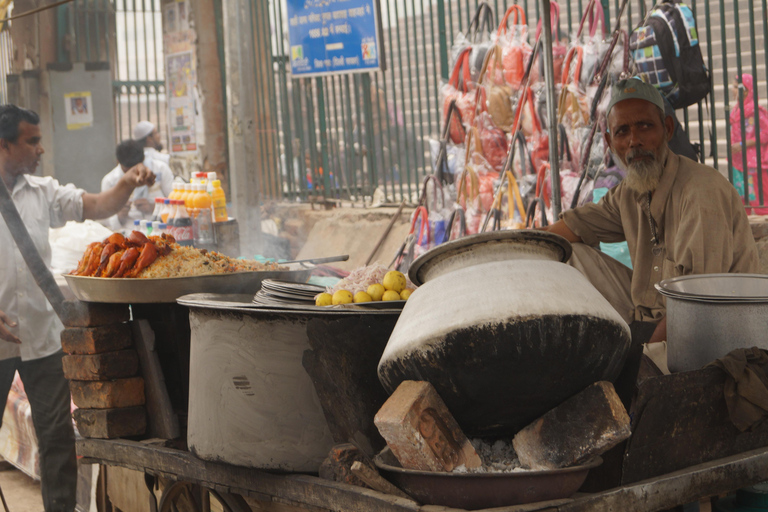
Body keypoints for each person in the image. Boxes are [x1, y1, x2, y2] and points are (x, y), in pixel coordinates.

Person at [0, 104, 155, 512]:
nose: (40, 149)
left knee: (56, 439)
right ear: (3, 145)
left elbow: (97, 205)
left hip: (41, 339)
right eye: (31, 141)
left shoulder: (42, 192)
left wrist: (126, 182)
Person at [543, 78, 759, 345]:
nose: (635, 141)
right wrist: (517, 249)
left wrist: (645, 360)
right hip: (649, 318)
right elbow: (572, 228)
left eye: (645, 126)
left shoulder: (701, 191)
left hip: (714, 331)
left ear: (667, 129)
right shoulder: (629, 192)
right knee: (564, 253)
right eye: (622, 132)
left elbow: (699, 301)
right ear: (610, 142)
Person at [101, 139, 173, 232]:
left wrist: (155, 208)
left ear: (143, 159)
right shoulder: (110, 181)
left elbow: (176, 204)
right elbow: (104, 218)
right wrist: (119, 216)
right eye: (127, 170)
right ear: (118, 162)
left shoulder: (161, 169)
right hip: (128, 234)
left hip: (159, 230)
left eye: (136, 169)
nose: (132, 174)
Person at [729, 73, 768, 215]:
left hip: (753, 163)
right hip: (738, 161)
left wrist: (743, 144)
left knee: (759, 202)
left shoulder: (756, 110)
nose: (732, 89)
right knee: (742, 203)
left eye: (735, 86)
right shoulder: (737, 108)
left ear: (745, 90)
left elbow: (765, 133)